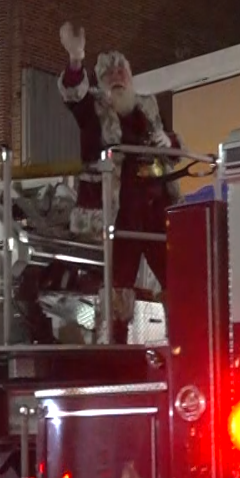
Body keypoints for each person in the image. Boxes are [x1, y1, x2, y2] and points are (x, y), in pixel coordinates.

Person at [57, 21, 180, 341]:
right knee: (117, 287)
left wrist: (168, 141)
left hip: (153, 210)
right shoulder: (92, 109)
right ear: (101, 82)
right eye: (109, 77)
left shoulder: (147, 106)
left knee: (175, 278)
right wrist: (75, 58)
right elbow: (73, 93)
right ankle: (113, 349)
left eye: (121, 74)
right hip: (115, 211)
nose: (117, 80)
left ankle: (184, 341)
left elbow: (170, 145)